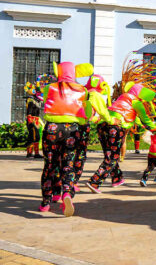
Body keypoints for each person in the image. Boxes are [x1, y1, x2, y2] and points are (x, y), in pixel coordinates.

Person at [39, 62, 94, 216]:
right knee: (68, 165)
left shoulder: (49, 87)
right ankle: (67, 194)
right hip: (72, 130)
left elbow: (45, 104)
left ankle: (45, 203)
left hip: (52, 128)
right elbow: (87, 113)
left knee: (50, 165)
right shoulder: (83, 90)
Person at [86, 83, 156, 193]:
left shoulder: (122, 97)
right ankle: (94, 182)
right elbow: (146, 120)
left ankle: (117, 178)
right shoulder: (137, 103)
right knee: (112, 158)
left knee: (109, 154)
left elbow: (136, 119)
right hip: (115, 127)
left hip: (102, 125)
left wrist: (143, 125)